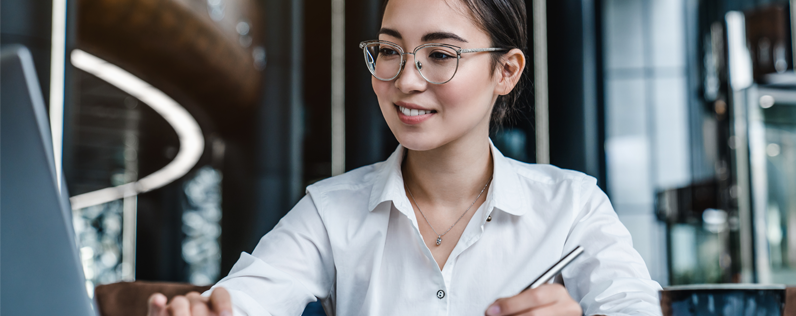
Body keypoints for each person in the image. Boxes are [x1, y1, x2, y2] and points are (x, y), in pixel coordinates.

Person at [148, 0, 663, 314]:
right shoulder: (333, 212)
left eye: (440, 55)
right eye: (390, 50)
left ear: (506, 71)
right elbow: (250, 299)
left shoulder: (572, 206)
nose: (406, 80)